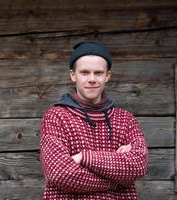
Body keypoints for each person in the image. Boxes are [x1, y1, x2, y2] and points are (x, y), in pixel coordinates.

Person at [40, 40, 148, 200]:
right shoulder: (56, 117)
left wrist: (84, 157)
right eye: (84, 72)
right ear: (73, 75)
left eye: (98, 73)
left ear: (107, 76)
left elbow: (138, 165)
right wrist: (115, 180)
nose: (92, 79)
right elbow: (60, 174)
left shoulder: (125, 119)